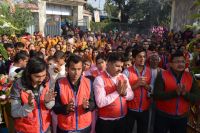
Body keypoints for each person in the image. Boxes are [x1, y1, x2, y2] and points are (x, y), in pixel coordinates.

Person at [153, 51, 200, 133]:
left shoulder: (190, 77)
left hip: (182, 117)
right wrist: (174, 93)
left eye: (182, 61)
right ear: (170, 64)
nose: (180, 64)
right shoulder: (162, 75)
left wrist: (185, 94)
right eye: (177, 62)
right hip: (163, 116)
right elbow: (156, 95)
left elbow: (197, 98)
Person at [10, 57, 56, 133]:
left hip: (45, 128)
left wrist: (47, 102)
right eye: (37, 76)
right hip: (25, 130)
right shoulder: (18, 85)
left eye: (43, 75)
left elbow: (50, 105)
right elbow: (14, 113)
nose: (41, 79)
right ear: (29, 74)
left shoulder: (47, 81)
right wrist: (28, 105)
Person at [53, 55, 95, 133]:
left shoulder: (89, 82)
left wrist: (87, 106)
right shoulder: (59, 83)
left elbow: (93, 103)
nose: (76, 73)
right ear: (67, 69)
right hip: (65, 127)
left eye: (79, 69)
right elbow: (55, 107)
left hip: (84, 126)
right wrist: (66, 108)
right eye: (73, 69)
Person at [94, 52, 133, 133]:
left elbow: (131, 95)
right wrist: (117, 92)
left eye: (121, 66)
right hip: (106, 122)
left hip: (122, 119)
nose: (120, 69)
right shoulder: (99, 79)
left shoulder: (123, 76)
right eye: (117, 66)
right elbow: (100, 103)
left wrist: (124, 93)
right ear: (108, 64)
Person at [123, 47, 151, 133]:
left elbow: (151, 89)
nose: (142, 59)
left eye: (144, 56)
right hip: (130, 109)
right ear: (134, 58)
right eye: (139, 56)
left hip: (145, 109)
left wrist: (146, 86)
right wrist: (137, 85)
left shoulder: (149, 71)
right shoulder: (127, 72)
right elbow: (124, 92)